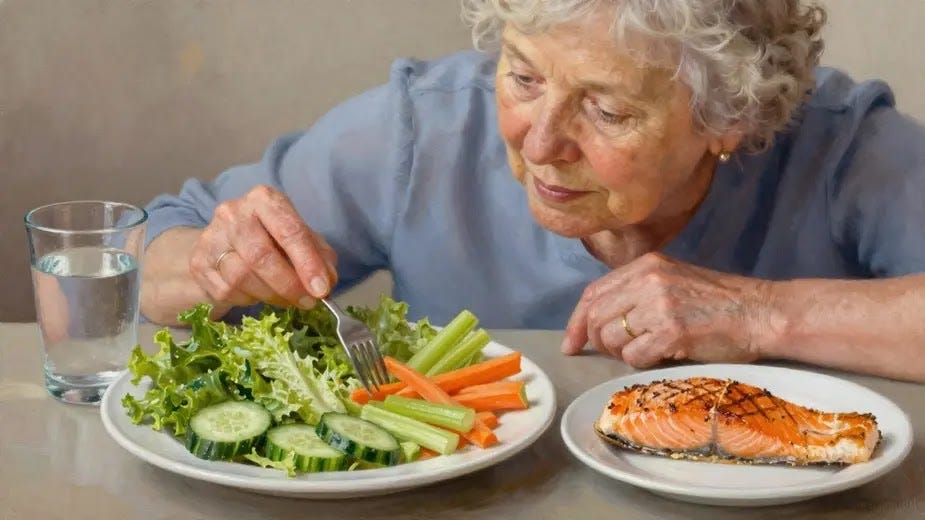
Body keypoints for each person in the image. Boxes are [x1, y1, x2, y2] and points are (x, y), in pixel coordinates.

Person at [140, 0, 925, 382]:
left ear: (731, 117)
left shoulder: (842, 148)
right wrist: (207, 260)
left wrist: (758, 314)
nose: (539, 142)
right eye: (520, 77)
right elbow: (148, 245)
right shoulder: (422, 129)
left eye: (608, 109)